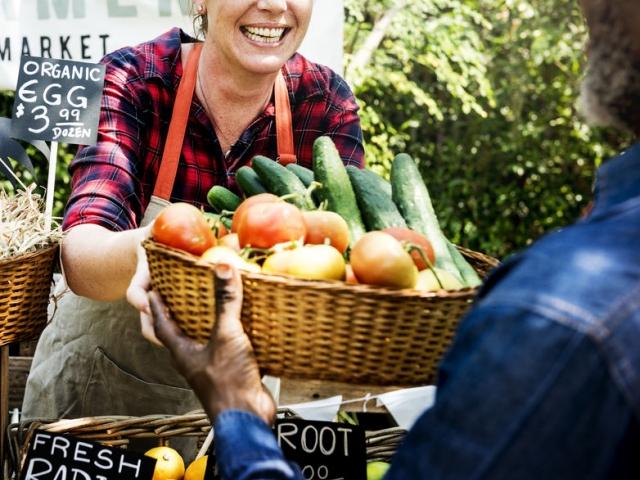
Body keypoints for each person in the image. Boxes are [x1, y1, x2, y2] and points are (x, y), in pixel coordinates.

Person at [148, 0, 640, 477]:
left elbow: (352, 266)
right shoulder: (141, 75)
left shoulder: (564, 312)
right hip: (138, 394)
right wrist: (171, 249)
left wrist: (241, 416)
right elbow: (86, 235)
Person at [22, 0, 364, 421]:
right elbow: (82, 258)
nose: (275, 5)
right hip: (100, 411)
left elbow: (350, 265)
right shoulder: (131, 77)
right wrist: (159, 245)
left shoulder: (325, 101)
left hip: (238, 417)